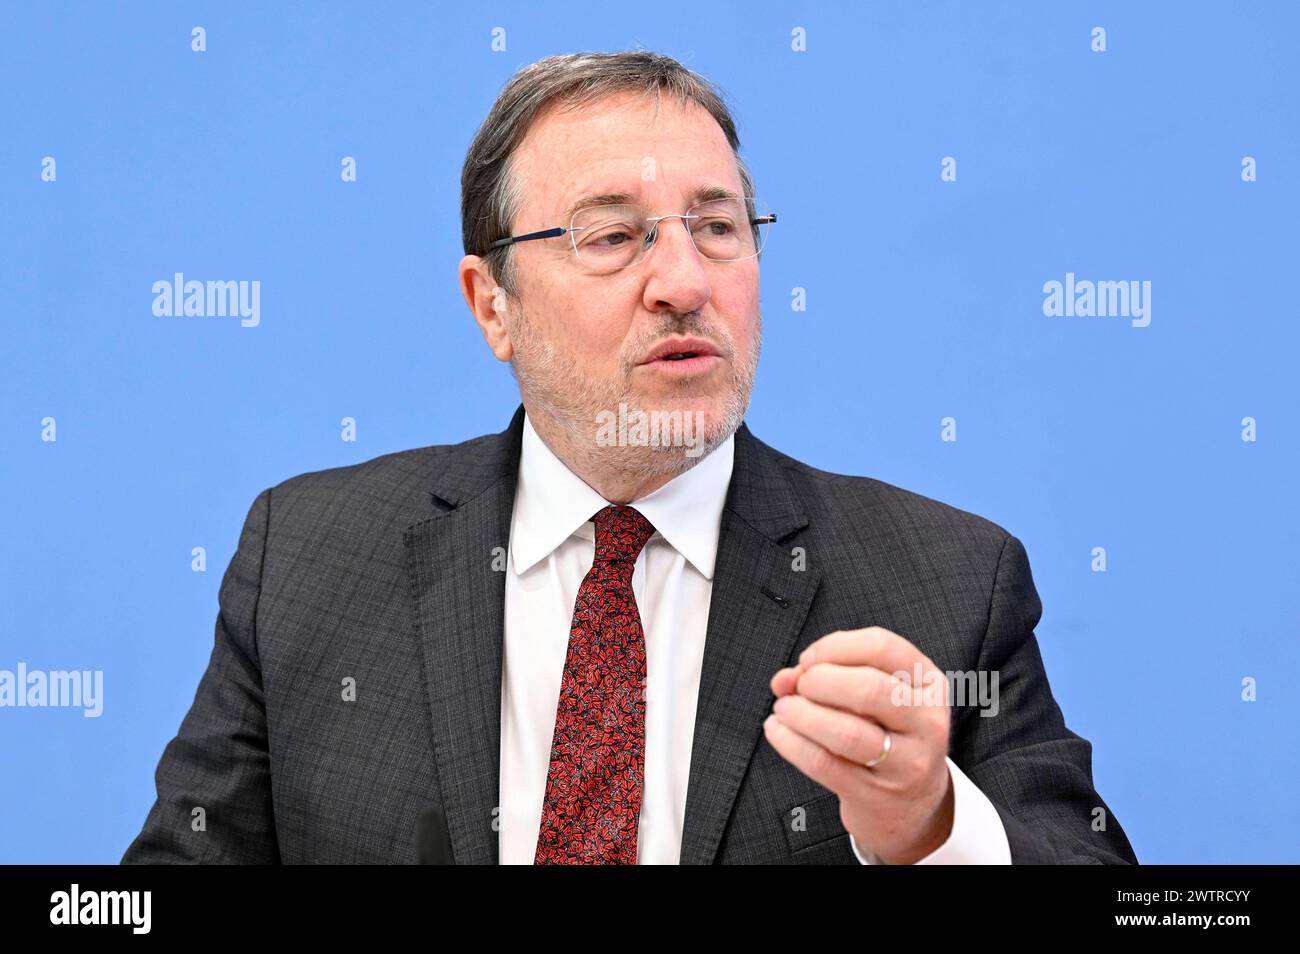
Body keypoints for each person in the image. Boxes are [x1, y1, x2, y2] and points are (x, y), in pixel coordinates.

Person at [123, 50, 1137, 865]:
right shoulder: (308, 556)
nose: (683, 280)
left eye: (716, 226)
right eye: (614, 237)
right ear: (493, 307)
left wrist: (929, 830)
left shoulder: (946, 578)